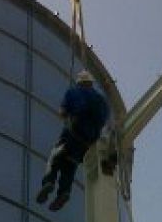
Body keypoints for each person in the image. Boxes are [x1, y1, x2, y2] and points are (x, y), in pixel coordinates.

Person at [36, 69, 110, 211]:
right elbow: (105, 122)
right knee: (70, 164)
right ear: (90, 83)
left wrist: (66, 116)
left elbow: (62, 112)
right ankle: (64, 192)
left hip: (73, 133)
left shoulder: (73, 92)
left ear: (80, 82)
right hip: (88, 142)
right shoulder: (102, 101)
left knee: (55, 156)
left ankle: (49, 182)